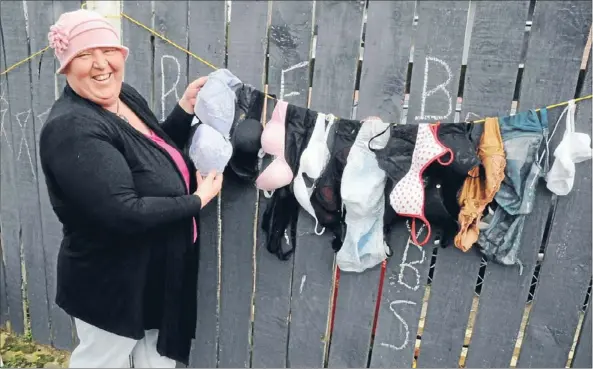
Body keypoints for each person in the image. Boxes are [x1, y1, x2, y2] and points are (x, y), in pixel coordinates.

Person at [38, 9, 223, 368]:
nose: (100, 64)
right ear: (65, 67)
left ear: (121, 55)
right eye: (83, 55)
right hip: (110, 282)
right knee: (103, 362)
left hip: (151, 271)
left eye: (107, 50)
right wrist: (197, 200)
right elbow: (122, 211)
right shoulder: (72, 128)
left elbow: (150, 154)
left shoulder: (125, 98)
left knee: (155, 361)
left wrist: (184, 110)